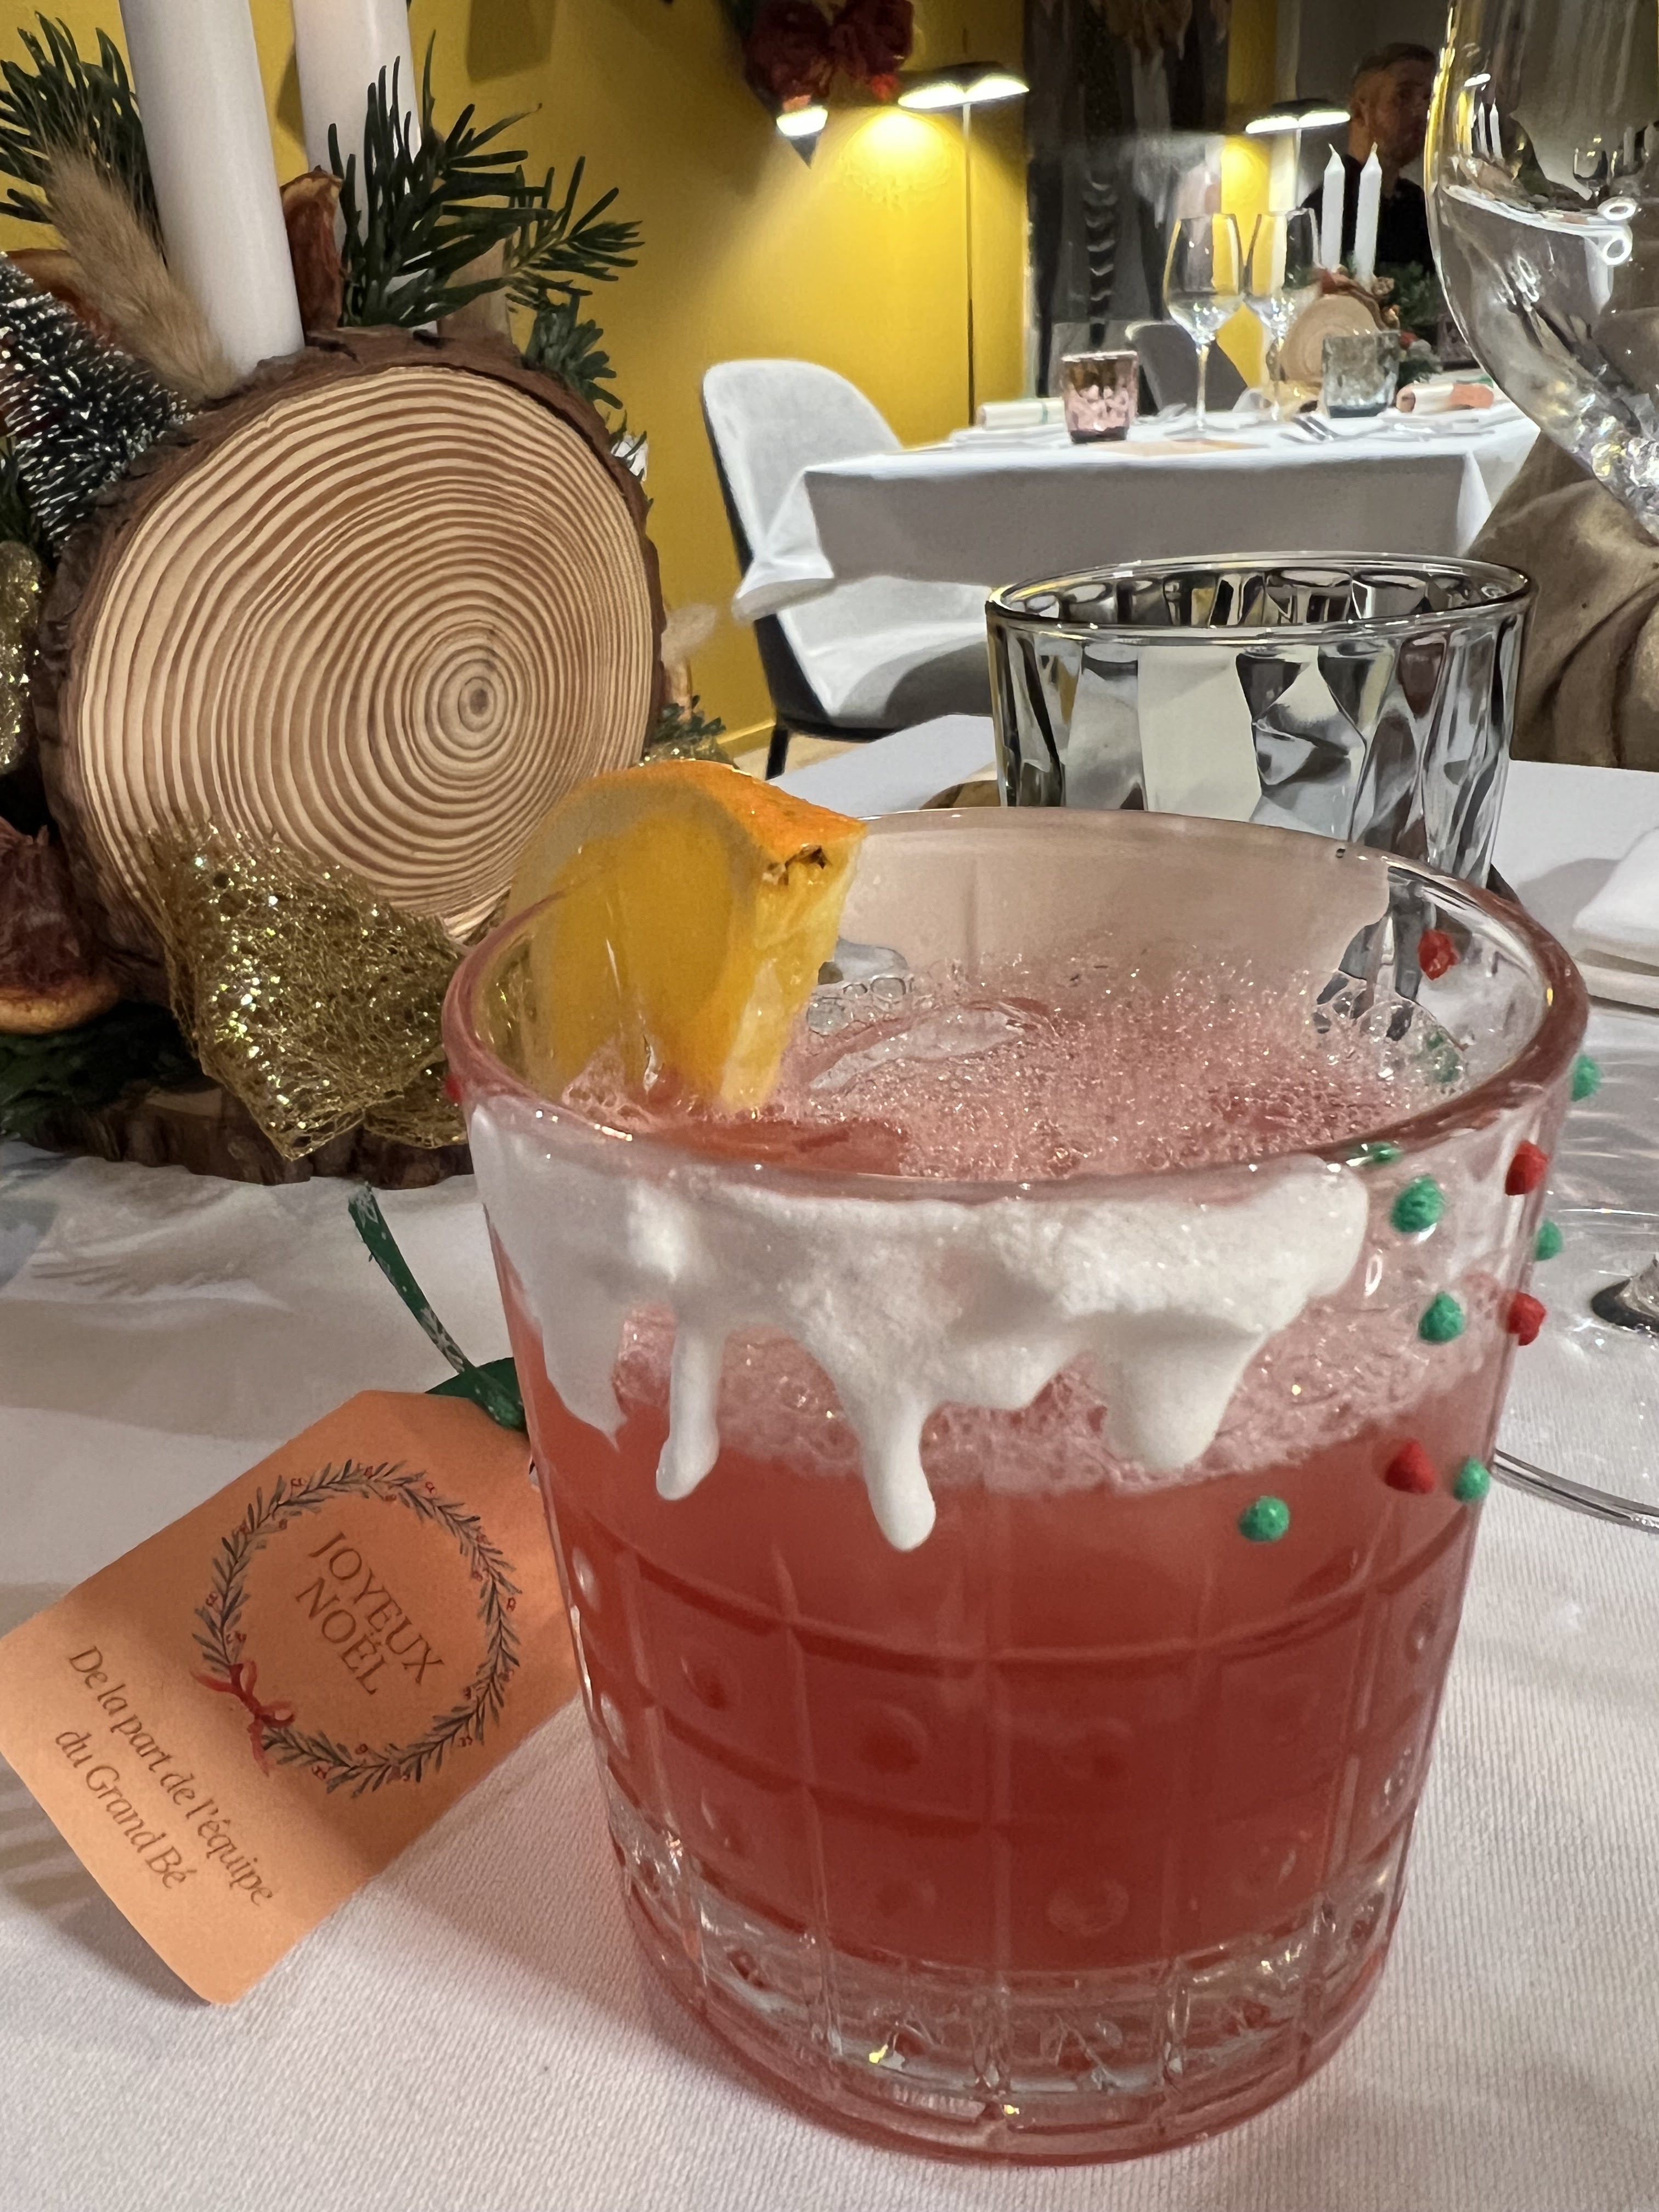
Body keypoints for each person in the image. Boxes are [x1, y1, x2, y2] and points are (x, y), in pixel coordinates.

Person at [1304, 43, 1437, 274]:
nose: (1421, 111)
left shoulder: (1417, 206)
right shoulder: (1325, 210)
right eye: (1403, 95)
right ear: (1360, 110)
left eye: (1427, 98)